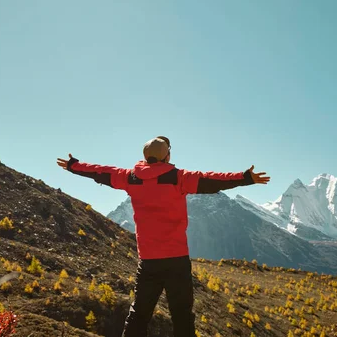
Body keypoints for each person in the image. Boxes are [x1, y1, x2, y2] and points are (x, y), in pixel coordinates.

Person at [57, 136, 270, 337]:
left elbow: (100, 172)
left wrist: (73, 166)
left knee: (139, 314)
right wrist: (245, 178)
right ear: (167, 156)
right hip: (176, 260)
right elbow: (212, 180)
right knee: (182, 316)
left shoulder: (130, 177)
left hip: (148, 261)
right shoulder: (178, 178)